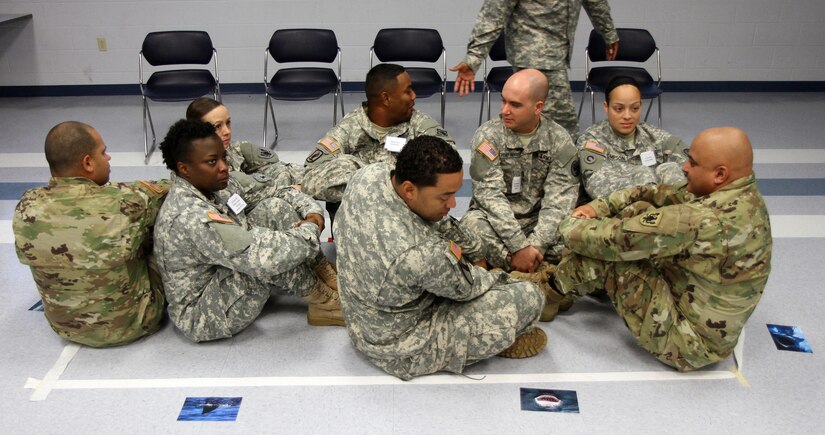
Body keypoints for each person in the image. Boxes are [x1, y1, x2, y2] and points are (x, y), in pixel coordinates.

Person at [547, 127, 772, 371]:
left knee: (610, 259)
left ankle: (546, 294)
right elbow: (658, 193)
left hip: (687, 345)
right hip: (707, 324)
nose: (685, 167)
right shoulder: (743, 195)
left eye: (693, 163)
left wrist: (572, 222)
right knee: (640, 208)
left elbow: (610, 240)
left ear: (720, 174)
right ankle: (578, 283)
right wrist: (600, 207)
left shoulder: (701, 219)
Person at [335, 136, 547, 380]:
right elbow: (470, 286)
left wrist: (475, 250)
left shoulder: (370, 175)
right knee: (530, 297)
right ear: (409, 189)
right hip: (401, 348)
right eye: (445, 197)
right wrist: (503, 277)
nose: (454, 203)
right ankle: (497, 340)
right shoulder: (421, 253)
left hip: (363, 322)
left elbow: (443, 223)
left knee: (462, 233)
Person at [153, 119, 343, 343]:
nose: (223, 167)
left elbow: (276, 189)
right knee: (267, 257)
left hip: (221, 272)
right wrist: (311, 231)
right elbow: (264, 258)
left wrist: (312, 212)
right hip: (204, 314)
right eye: (212, 161)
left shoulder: (214, 184)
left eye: (223, 157)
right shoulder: (191, 217)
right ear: (184, 168)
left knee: (274, 209)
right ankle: (327, 302)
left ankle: (324, 273)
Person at [13, 121, 167, 347]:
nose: (109, 158)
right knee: (163, 223)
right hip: (134, 323)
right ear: (87, 163)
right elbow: (170, 189)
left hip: (64, 327)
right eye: (103, 152)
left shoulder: (27, 206)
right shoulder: (125, 200)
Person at [459, 69, 579, 320]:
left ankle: (515, 271)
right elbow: (489, 197)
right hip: (496, 223)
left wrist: (536, 243)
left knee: (577, 231)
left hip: (538, 224)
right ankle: (536, 272)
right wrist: (518, 246)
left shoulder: (559, 140)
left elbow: (559, 200)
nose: (504, 110)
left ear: (538, 107)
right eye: (503, 101)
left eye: (515, 104)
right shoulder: (488, 136)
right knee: (469, 228)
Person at [302, 63, 455, 221]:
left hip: (408, 224)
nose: (414, 96)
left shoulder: (420, 125)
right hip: (357, 226)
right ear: (386, 98)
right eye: (407, 91)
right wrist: (375, 182)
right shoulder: (349, 128)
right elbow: (310, 178)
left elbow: (448, 164)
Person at [452, 0, 619, 137]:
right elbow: (492, 15)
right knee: (560, 128)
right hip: (532, 57)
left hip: (557, 56)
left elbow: (596, 3)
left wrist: (608, 32)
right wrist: (473, 57)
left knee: (535, 124)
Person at [577, 76, 689, 200]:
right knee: (643, 173)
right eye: (619, 109)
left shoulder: (654, 136)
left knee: (670, 169)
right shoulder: (592, 141)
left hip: (665, 210)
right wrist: (647, 182)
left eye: (635, 108)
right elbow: (598, 187)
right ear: (606, 107)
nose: (627, 116)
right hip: (618, 213)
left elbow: (693, 169)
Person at [186, 97, 303, 187]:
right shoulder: (197, 170)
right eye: (217, 126)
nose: (227, 131)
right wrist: (290, 191)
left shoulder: (232, 149)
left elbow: (276, 166)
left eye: (228, 123)